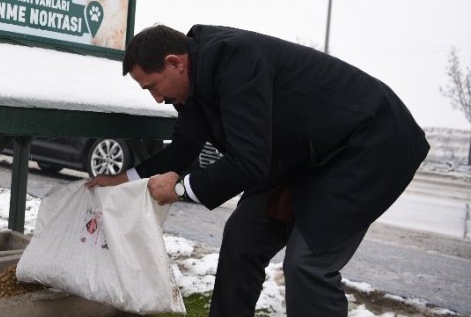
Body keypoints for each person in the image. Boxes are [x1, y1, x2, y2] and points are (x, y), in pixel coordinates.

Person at [86, 24, 430, 316]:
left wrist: (179, 190)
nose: (157, 99)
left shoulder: (236, 61)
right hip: (302, 156)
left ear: (175, 62)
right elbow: (183, 150)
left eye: (152, 86)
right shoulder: (192, 88)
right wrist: (124, 179)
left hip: (370, 143)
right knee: (242, 238)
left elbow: (249, 161)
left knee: (308, 265)